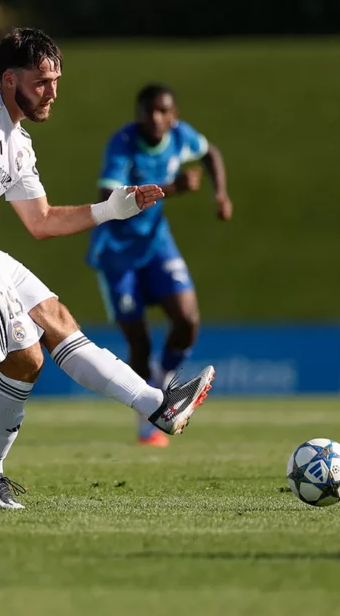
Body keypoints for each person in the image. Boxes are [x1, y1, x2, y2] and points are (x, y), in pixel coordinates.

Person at [0, 28, 214, 510]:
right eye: (42, 81)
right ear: (9, 79)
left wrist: (112, 209)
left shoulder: (19, 143)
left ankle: (157, 406)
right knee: (26, 358)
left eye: (56, 80)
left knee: (58, 321)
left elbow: (41, 222)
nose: (53, 92)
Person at [87, 83, 232, 447]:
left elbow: (210, 152)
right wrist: (170, 187)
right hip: (117, 252)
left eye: (162, 111)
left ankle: (163, 378)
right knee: (138, 341)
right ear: (137, 115)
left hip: (156, 246)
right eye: (148, 111)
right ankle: (146, 420)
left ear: (174, 117)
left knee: (188, 319)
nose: (154, 117)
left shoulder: (181, 137)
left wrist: (221, 194)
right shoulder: (122, 144)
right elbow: (106, 197)